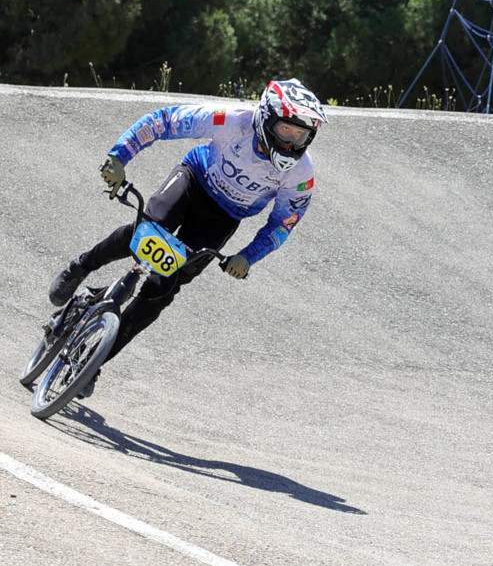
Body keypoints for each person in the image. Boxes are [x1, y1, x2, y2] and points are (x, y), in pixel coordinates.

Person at [46, 79, 326, 396]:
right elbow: (164, 121)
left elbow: (284, 223)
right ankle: (82, 266)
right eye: (286, 130)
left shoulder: (301, 174)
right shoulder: (231, 121)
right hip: (193, 181)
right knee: (146, 232)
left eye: (300, 135)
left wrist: (248, 256)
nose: (291, 142)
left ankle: (91, 364)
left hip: (224, 218)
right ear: (265, 119)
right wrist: (119, 157)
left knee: (161, 290)